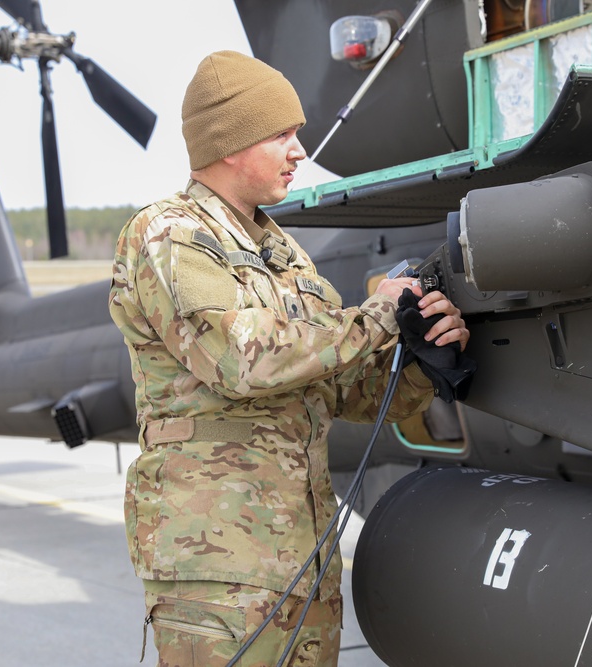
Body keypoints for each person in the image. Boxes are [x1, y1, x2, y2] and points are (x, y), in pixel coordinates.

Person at [108, 50, 469, 667]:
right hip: (219, 566)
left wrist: (421, 359)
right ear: (229, 142)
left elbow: (345, 391)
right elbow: (243, 359)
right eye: (282, 134)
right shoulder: (170, 235)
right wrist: (380, 314)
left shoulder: (282, 254)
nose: (299, 150)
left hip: (300, 558)